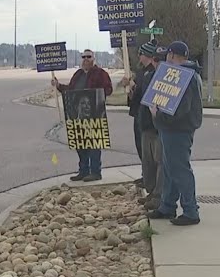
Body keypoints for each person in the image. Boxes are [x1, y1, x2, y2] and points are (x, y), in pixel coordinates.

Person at [147, 41, 203, 226]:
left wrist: (158, 115)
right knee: (170, 169)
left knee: (179, 169)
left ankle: (190, 210)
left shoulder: (184, 76)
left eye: (168, 56)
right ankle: (167, 206)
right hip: (171, 129)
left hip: (178, 130)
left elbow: (181, 110)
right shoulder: (187, 74)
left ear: (171, 55)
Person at [52, 49, 113, 182]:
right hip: (78, 116)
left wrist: (96, 94)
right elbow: (70, 89)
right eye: (84, 57)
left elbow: (108, 90)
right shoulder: (78, 74)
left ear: (93, 59)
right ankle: (83, 171)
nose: (86, 59)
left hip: (94, 116)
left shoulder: (101, 74)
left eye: (88, 57)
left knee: (94, 145)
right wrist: (58, 86)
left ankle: (95, 172)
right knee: (81, 144)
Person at [121, 40, 159, 186]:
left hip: (147, 117)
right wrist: (130, 90)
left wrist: (132, 86)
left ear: (148, 55)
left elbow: (145, 93)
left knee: (148, 151)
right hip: (139, 114)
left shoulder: (151, 72)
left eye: (141, 54)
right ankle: (146, 175)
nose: (139, 57)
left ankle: (150, 179)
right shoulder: (142, 72)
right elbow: (135, 95)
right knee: (140, 147)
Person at [137, 44, 165, 212]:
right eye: (156, 59)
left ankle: (159, 195)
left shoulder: (170, 79)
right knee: (148, 163)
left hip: (159, 128)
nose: (157, 63)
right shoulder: (148, 76)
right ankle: (151, 191)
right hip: (146, 126)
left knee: (160, 162)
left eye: (161, 59)